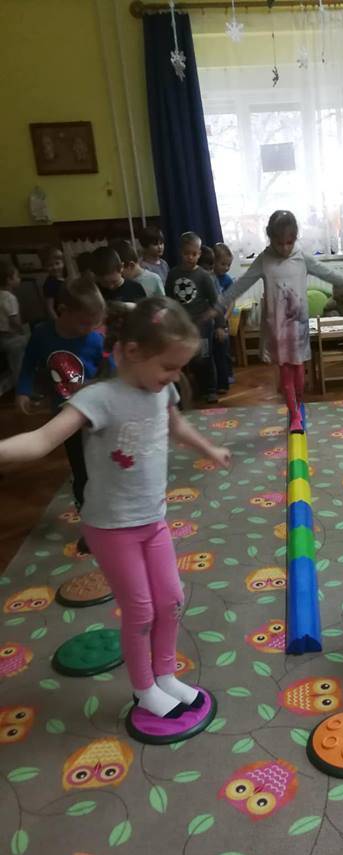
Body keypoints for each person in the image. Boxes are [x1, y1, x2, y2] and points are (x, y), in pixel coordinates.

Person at [0, 298, 232, 719]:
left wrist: (209, 448)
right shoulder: (99, 398)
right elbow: (41, 440)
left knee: (172, 600)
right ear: (131, 351)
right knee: (140, 609)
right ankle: (144, 689)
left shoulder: (162, 391)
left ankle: (166, 675)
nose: (174, 376)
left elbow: (177, 425)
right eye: (168, 366)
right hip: (111, 528)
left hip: (153, 520)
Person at [220, 210, 343, 433]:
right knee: (286, 372)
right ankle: (294, 414)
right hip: (277, 330)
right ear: (270, 238)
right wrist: (218, 304)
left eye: (289, 243)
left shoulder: (301, 258)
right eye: (279, 243)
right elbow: (241, 284)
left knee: (299, 371)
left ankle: (297, 402)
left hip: (298, 330)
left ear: (295, 238)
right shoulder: (264, 260)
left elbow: (330, 274)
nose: (284, 248)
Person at [16, 277, 107, 550]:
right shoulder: (42, 335)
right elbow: (29, 364)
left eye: (95, 323)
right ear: (63, 310)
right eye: (85, 323)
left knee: (107, 469)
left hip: (100, 418)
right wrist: (23, 390)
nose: (90, 329)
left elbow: (113, 374)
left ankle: (115, 520)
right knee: (81, 472)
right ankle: (90, 527)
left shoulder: (95, 339)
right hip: (67, 418)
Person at [165, 232, 229, 403]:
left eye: (194, 254)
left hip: (202, 326)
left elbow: (216, 302)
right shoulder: (173, 274)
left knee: (204, 357)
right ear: (180, 252)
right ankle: (190, 391)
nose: (190, 257)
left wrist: (220, 326)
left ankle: (210, 390)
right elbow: (169, 300)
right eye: (187, 253)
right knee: (184, 357)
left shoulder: (204, 276)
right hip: (181, 326)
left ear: (199, 254)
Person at [0, 262, 29, 386]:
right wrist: (22, 331)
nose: (19, 279)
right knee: (19, 365)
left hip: (2, 337)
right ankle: (24, 386)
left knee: (13, 363)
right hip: (12, 338)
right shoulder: (10, 298)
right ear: (9, 280)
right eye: (17, 276)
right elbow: (14, 321)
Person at [40, 245, 66, 322]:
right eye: (50, 265)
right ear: (44, 267)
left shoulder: (63, 279)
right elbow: (49, 308)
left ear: (63, 263)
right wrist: (58, 323)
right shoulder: (50, 284)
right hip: (60, 320)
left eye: (57, 263)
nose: (54, 267)